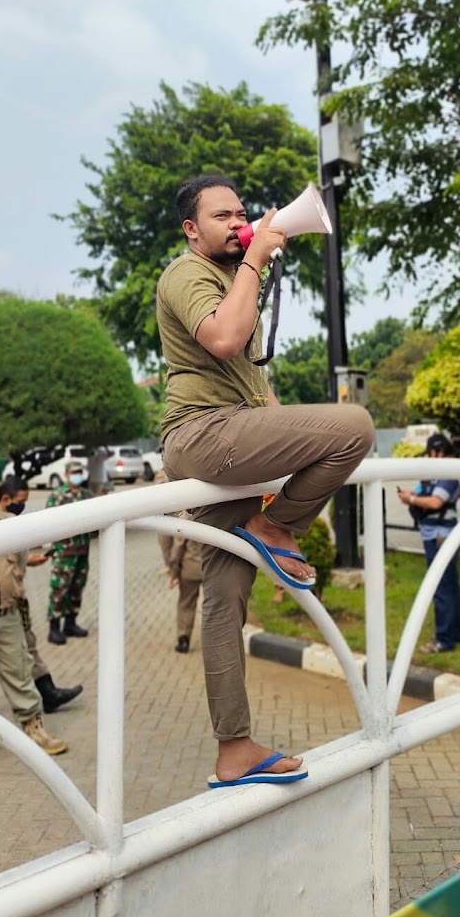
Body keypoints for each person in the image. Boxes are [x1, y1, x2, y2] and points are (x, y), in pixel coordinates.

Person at [157, 173, 374, 788]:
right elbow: (225, 340)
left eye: (242, 213)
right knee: (355, 426)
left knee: (225, 598)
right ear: (191, 229)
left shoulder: (234, 283)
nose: (238, 221)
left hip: (232, 439)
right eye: (221, 216)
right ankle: (272, 527)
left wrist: (287, 441)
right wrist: (254, 259)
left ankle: (235, 749)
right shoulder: (185, 274)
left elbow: (254, 383)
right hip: (204, 436)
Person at [0, 471, 67, 772]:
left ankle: (34, 729)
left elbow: (20, 562)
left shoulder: (10, 525)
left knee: (21, 674)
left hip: (7, 615)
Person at [0, 476, 83, 712]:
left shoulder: (10, 521)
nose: (22, 506)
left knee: (29, 646)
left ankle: (48, 693)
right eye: (20, 501)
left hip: (14, 600)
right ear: (5, 498)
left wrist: (28, 561)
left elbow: (13, 558)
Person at [397, 432, 460, 654]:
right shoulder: (435, 474)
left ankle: (443, 639)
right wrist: (412, 496)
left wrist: (412, 499)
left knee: (441, 587)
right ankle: (456, 633)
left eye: (431, 453)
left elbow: (436, 502)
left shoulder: (449, 473)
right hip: (434, 534)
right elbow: (422, 493)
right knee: (450, 585)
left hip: (440, 535)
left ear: (438, 452)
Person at [46, 461, 93, 644]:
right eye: (74, 472)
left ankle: (70, 623)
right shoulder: (57, 497)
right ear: (66, 475)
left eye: (80, 472)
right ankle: (54, 628)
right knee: (60, 588)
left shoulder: (87, 495)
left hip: (82, 550)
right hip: (64, 552)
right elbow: (49, 523)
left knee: (77, 587)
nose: (78, 475)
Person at [157, 514, 203, 653]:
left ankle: (183, 638)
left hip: (190, 568)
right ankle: (215, 640)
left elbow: (177, 547)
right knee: (213, 606)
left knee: (186, 603)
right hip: (213, 568)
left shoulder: (187, 516)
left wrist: (174, 572)